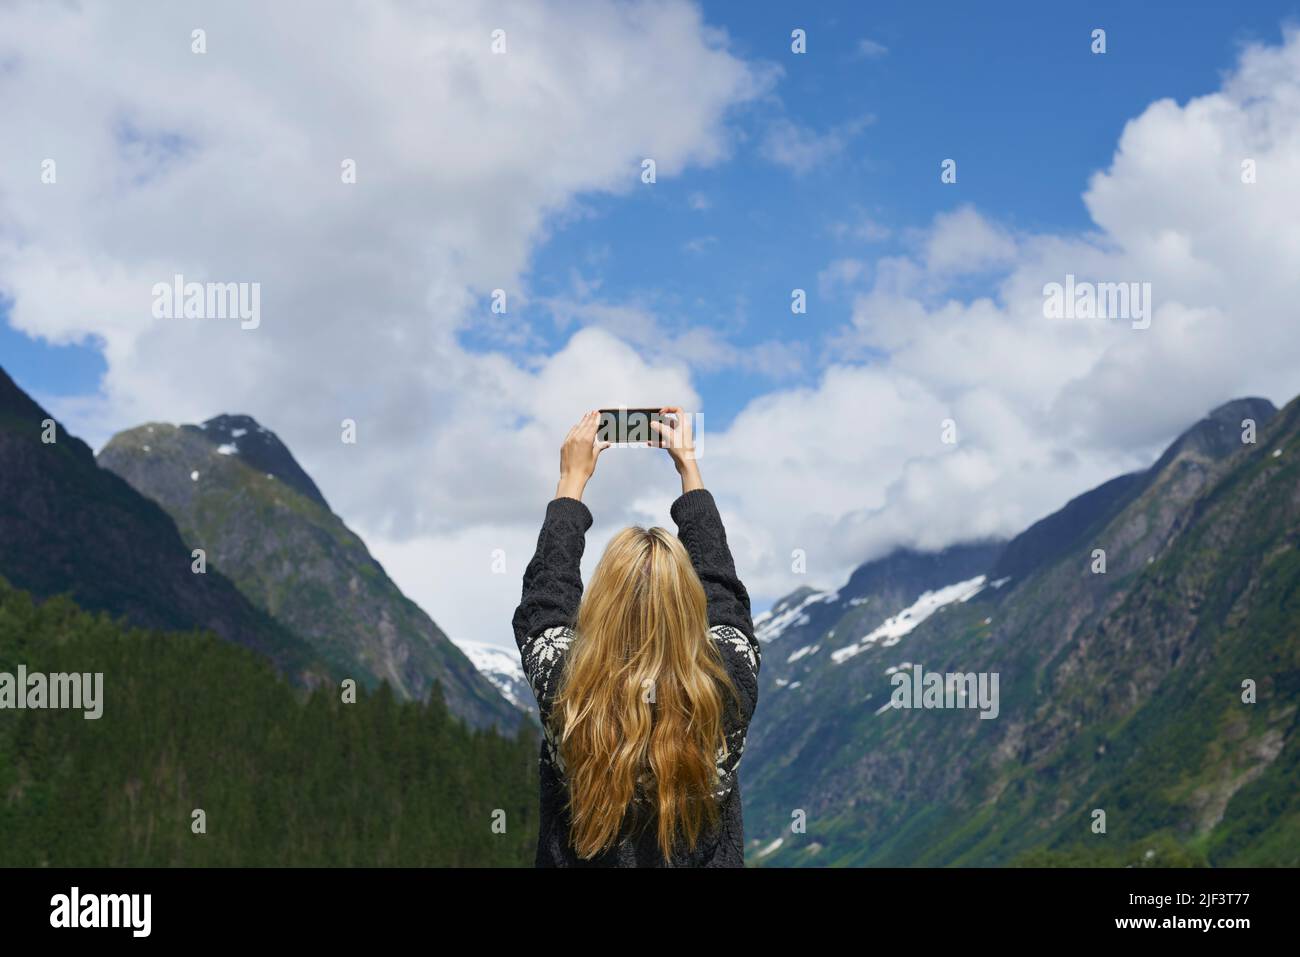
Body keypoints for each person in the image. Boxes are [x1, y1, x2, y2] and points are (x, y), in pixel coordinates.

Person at [512, 407, 761, 867]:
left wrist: (571, 482)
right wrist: (688, 465)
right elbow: (724, 590)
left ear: (600, 607)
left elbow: (545, 599)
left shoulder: (566, 689)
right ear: (689, 608)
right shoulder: (728, 685)